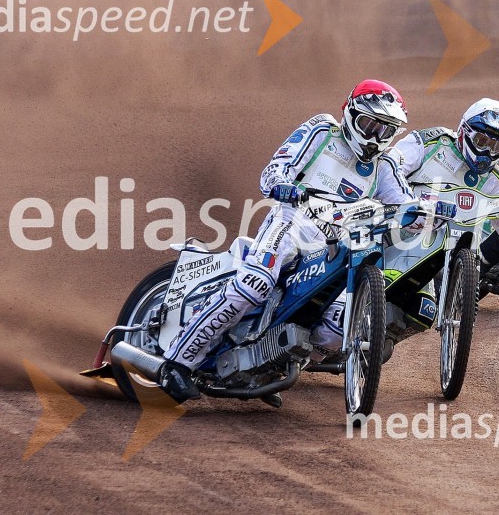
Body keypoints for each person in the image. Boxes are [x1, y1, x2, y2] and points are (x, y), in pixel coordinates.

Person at [157, 80, 416, 402]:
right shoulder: (323, 132)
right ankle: (177, 363)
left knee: (338, 325)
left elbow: (406, 207)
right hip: (294, 221)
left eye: (386, 129)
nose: (376, 136)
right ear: (350, 113)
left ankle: (265, 366)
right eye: (370, 124)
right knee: (256, 283)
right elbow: (275, 169)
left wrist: (427, 212)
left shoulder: (385, 165)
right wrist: (282, 185)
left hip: (336, 244)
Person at [382, 98, 499, 344]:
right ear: (465, 131)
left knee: (422, 313)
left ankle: (376, 343)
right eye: (482, 142)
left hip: (441, 256)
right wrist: (408, 205)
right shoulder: (430, 143)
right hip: (394, 236)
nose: (487, 152)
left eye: (497, 147)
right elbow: (389, 167)